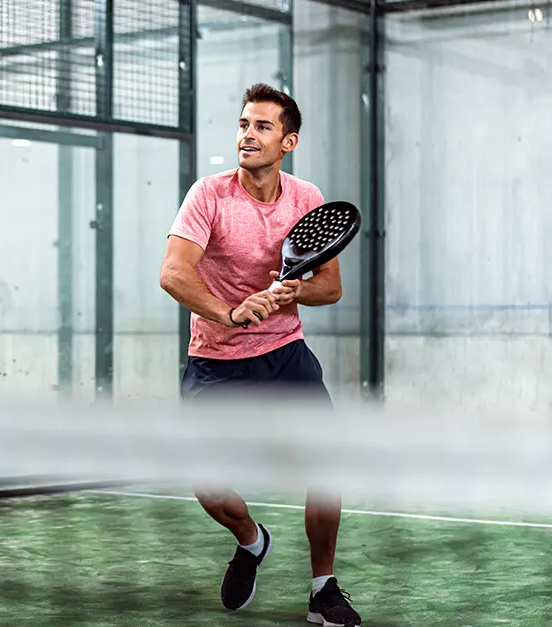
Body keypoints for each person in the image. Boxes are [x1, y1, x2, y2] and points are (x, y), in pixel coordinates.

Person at [158, 83, 362, 626]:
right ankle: (251, 540)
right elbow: (173, 273)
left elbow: (330, 288)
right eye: (245, 124)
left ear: (288, 141)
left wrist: (296, 291)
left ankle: (323, 589)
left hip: (284, 356)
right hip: (215, 361)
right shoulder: (210, 195)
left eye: (263, 127)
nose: (248, 135)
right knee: (208, 484)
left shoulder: (306, 198)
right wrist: (229, 311)